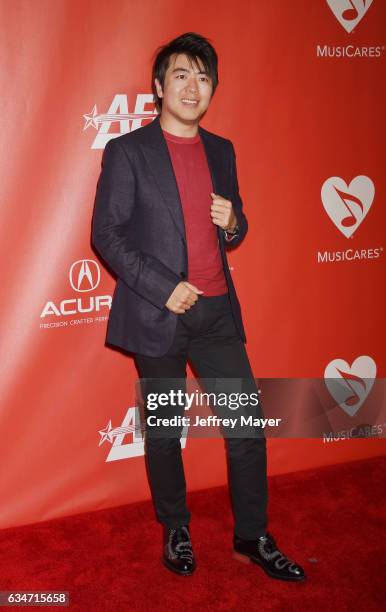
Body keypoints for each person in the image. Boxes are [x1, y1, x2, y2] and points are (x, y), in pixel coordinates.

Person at [92, 32, 305, 581]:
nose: (193, 86)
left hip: (216, 316)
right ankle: (175, 527)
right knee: (166, 431)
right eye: (181, 75)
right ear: (160, 86)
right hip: (157, 313)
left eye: (203, 76)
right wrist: (164, 286)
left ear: (212, 90)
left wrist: (234, 223)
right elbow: (107, 234)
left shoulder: (222, 150)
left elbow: (235, 226)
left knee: (247, 427)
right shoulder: (128, 151)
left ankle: (253, 536)